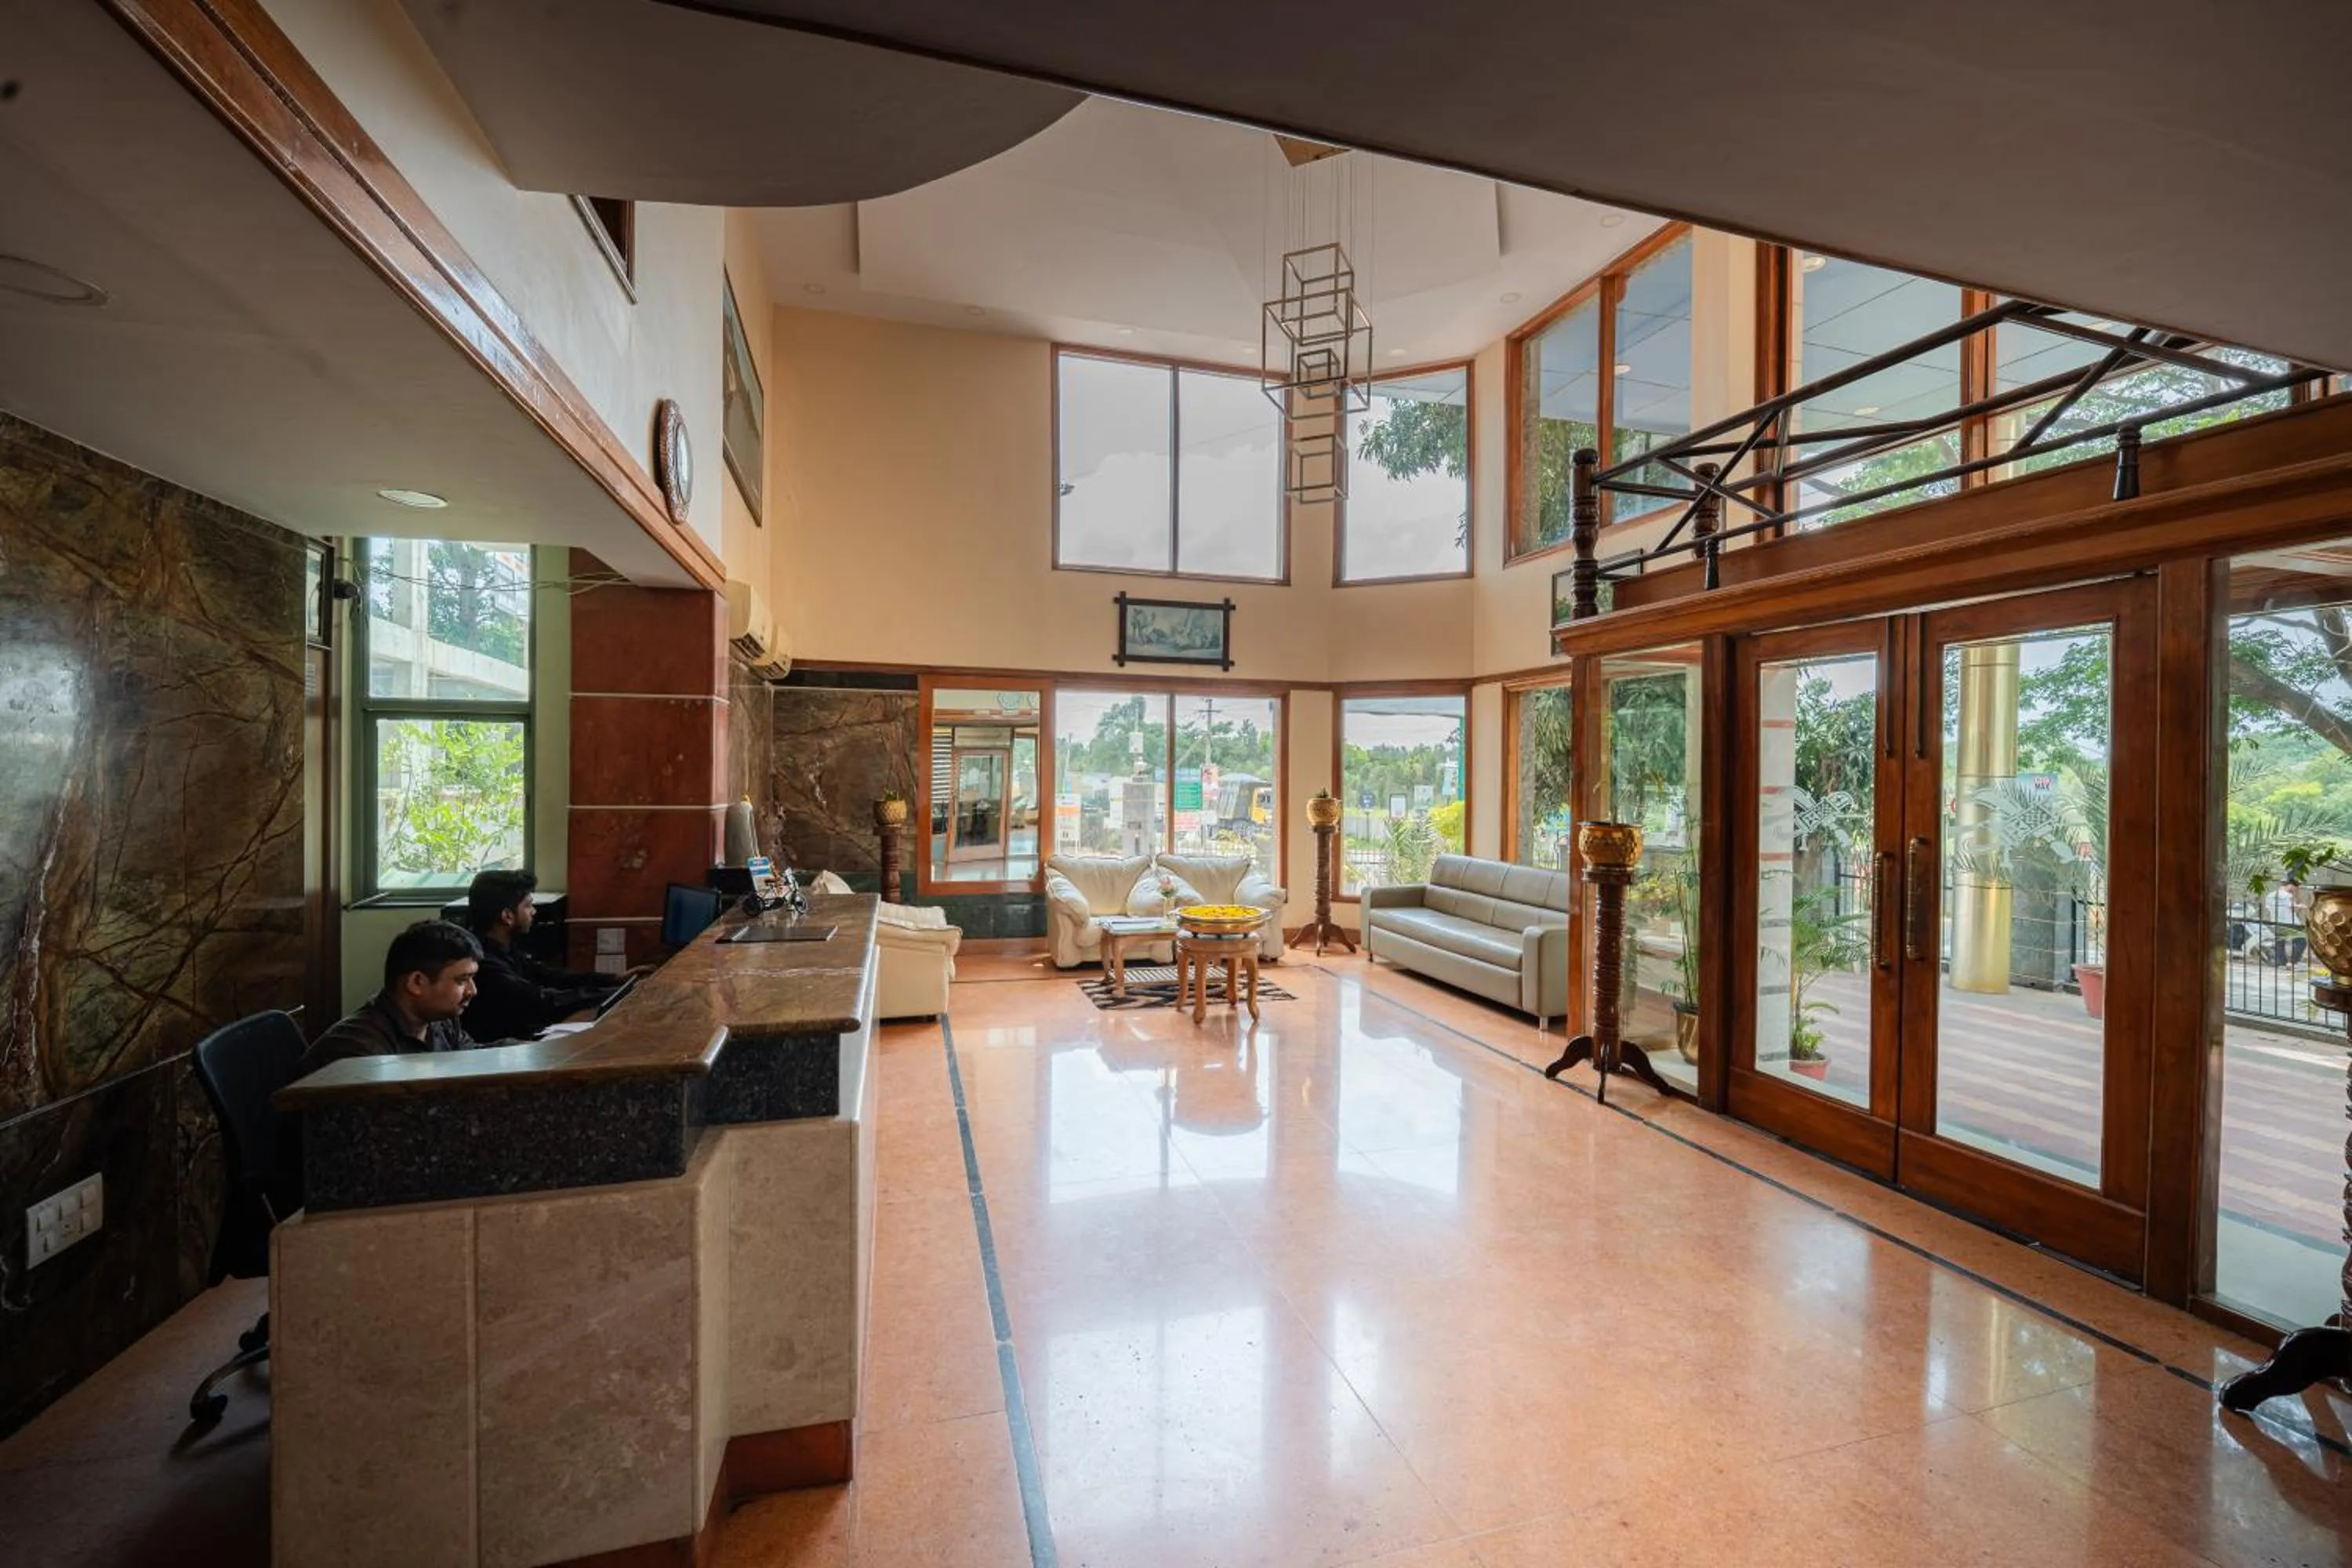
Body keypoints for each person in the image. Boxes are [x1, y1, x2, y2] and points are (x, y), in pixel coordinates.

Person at [461, 869, 637, 1042]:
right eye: (528, 905)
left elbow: (551, 976)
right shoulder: (483, 963)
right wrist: (621, 993)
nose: (534, 911)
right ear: (507, 916)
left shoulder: (502, 948)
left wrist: (615, 979)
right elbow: (543, 1001)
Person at [301, 920, 483, 1076]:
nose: (472, 991)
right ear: (417, 983)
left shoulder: (440, 1022)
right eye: (462, 980)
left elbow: (477, 1059)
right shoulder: (358, 1050)